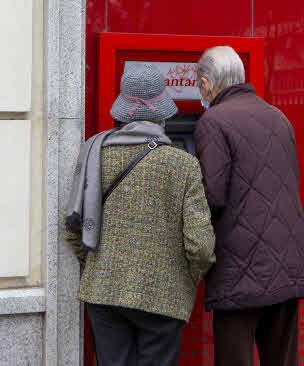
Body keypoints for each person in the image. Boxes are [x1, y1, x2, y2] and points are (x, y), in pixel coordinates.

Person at [65, 63, 216, 366]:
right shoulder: (182, 164)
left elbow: (73, 229)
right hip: (162, 296)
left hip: (103, 292)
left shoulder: (93, 152)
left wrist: (99, 265)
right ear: (161, 113)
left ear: (123, 110)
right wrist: (185, 278)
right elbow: (200, 245)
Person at [194, 46, 304, 366]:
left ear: (206, 85)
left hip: (240, 272)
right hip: (286, 267)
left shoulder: (213, 121)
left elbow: (213, 195)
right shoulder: (279, 118)